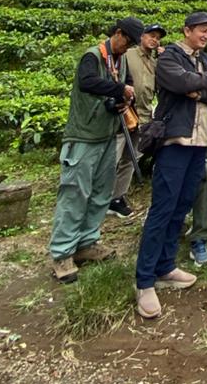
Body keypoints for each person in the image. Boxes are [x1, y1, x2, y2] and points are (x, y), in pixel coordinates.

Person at [135, 11, 207, 320]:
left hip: (199, 143)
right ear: (187, 30)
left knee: (181, 206)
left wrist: (201, 87)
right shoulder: (170, 57)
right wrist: (205, 82)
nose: (206, 36)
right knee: (162, 208)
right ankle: (144, 281)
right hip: (175, 142)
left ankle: (165, 267)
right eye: (202, 31)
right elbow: (178, 81)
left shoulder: (205, 59)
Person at [48, 17, 144, 283]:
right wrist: (119, 89)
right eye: (129, 41)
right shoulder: (92, 56)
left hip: (107, 135)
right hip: (83, 137)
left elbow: (120, 89)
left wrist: (120, 101)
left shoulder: (121, 60)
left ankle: (87, 243)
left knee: (101, 192)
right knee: (75, 193)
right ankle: (62, 253)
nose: (129, 48)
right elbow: (87, 82)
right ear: (118, 33)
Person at [109, 22, 165, 219]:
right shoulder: (128, 54)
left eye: (158, 37)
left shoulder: (156, 61)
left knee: (132, 158)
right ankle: (98, 196)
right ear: (141, 36)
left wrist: (165, 58)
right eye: (151, 35)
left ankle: (117, 197)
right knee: (112, 157)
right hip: (124, 114)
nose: (154, 39)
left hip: (144, 116)